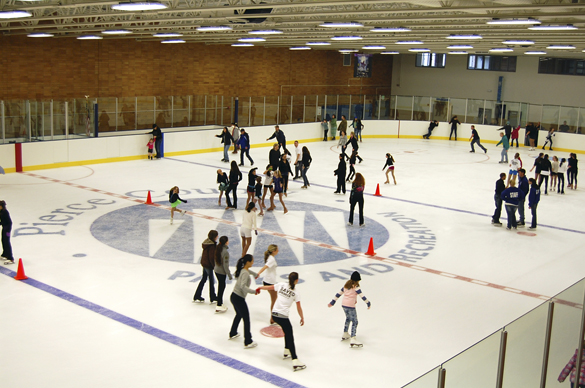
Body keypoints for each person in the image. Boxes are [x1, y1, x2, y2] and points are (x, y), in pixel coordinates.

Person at [257, 272, 306, 371]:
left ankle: (287, 350)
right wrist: (302, 317)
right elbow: (299, 307)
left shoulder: (281, 285)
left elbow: (269, 287)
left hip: (274, 314)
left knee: (287, 330)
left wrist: (260, 288)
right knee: (289, 334)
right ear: (297, 281)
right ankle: (295, 360)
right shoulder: (296, 293)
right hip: (283, 316)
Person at [327, 271, 371, 347]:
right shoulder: (356, 286)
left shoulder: (346, 285)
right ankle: (353, 338)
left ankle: (345, 333)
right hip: (350, 306)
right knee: (355, 321)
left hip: (344, 305)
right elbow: (362, 296)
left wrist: (333, 302)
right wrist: (368, 302)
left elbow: (338, 294)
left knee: (348, 318)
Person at [229, 255, 260, 349]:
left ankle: (233, 333)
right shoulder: (245, 273)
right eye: (252, 261)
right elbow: (243, 286)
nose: (253, 263)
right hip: (239, 298)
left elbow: (247, 271)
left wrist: (255, 274)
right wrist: (254, 291)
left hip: (234, 296)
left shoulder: (243, 269)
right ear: (248, 262)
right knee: (246, 319)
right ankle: (248, 341)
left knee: (239, 314)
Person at [256, 244, 279, 325]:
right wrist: (258, 273)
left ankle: (273, 317)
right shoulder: (271, 259)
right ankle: (272, 318)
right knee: (274, 300)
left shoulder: (270, 257)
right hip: (269, 282)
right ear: (273, 251)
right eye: (277, 250)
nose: (278, 251)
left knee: (274, 299)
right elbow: (265, 267)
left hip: (269, 281)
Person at [193, 230, 218, 304]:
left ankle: (197, 295)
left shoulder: (207, 243)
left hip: (204, 264)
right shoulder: (212, 245)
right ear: (214, 237)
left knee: (204, 279)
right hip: (208, 265)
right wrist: (214, 266)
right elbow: (211, 257)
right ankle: (212, 296)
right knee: (211, 281)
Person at [214, 236, 232, 313]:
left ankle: (220, 302)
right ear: (226, 242)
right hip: (221, 272)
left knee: (221, 286)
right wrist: (229, 274)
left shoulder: (218, 249)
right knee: (221, 287)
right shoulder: (225, 252)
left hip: (216, 270)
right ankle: (219, 305)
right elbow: (225, 265)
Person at [0, 200, 14, 265]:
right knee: (3, 240)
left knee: (6, 241)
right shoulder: (1, 211)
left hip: (7, 229)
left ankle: (10, 258)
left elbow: (8, 222)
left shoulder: (5, 212)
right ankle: (5, 254)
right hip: (4, 227)